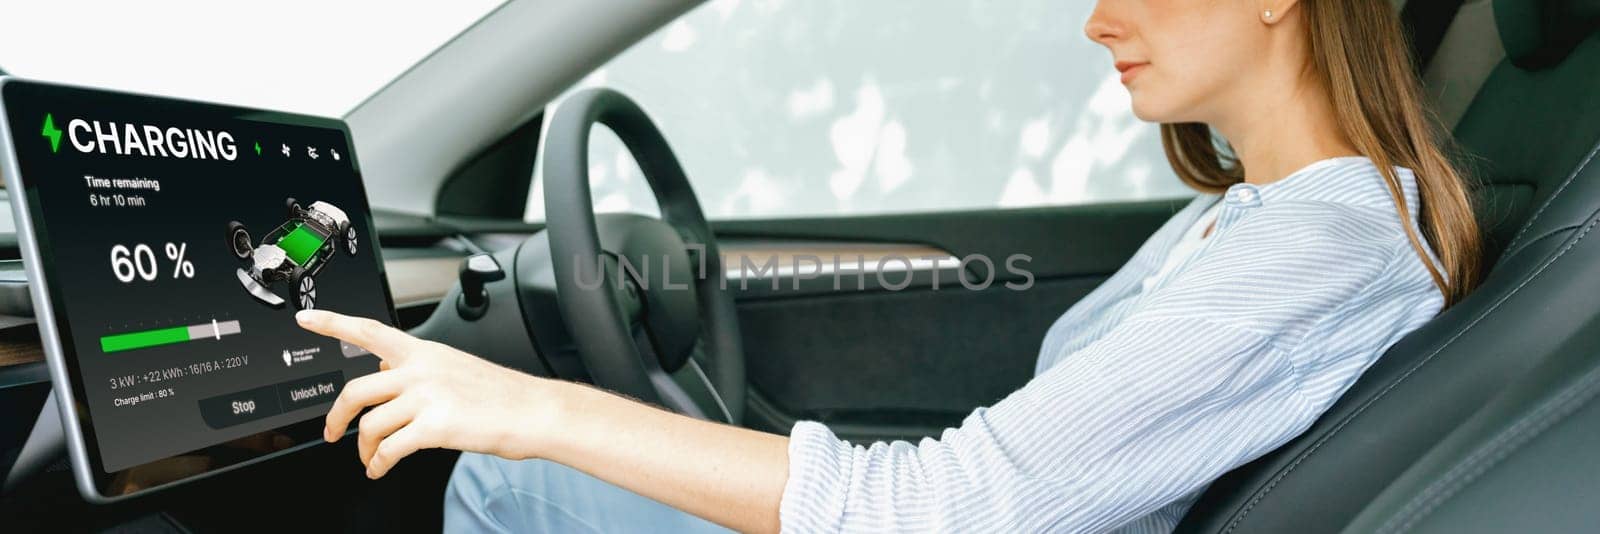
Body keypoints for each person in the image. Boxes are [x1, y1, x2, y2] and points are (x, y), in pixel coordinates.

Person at [295, 0, 1482, 531]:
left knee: (502, 482)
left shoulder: (1322, 246)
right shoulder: (1255, 214)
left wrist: (530, 409)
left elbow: (943, 511)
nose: (1094, 19)